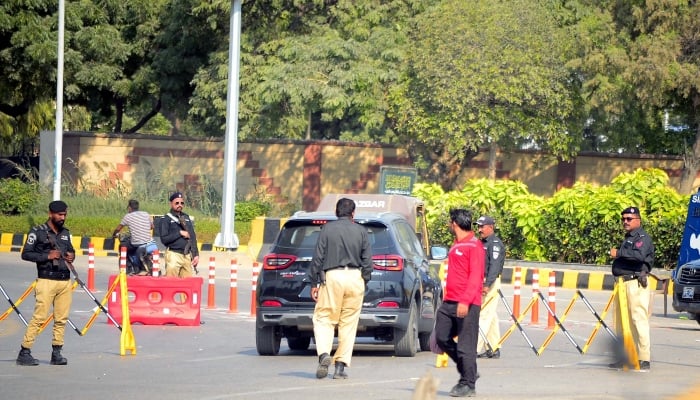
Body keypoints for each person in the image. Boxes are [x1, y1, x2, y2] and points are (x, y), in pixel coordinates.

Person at [310, 198, 373, 380]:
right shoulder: (361, 231)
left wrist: (314, 283)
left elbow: (318, 258)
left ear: (336, 212)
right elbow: (368, 261)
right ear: (353, 213)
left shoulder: (327, 229)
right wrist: (364, 280)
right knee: (348, 324)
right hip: (355, 277)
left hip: (333, 276)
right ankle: (339, 368)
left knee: (324, 318)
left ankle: (323, 354)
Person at [16, 200, 76, 366]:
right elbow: (26, 254)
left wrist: (72, 255)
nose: (63, 217)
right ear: (50, 214)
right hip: (46, 280)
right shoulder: (38, 232)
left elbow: (71, 249)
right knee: (39, 318)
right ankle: (24, 351)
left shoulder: (65, 232)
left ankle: (56, 353)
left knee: (61, 319)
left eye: (64, 214)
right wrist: (47, 256)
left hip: (64, 281)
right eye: (59, 214)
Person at [434, 209, 485, 397]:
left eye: (449, 222)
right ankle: (469, 369)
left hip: (467, 303)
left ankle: (468, 383)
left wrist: (465, 301)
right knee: (441, 337)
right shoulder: (456, 244)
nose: (448, 225)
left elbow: (475, 277)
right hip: (449, 302)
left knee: (466, 346)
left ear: (454, 223)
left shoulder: (474, 245)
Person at [609, 206, 655, 371]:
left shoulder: (642, 237)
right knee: (621, 322)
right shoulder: (628, 237)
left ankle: (644, 358)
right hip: (622, 283)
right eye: (623, 219)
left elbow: (639, 256)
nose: (625, 222)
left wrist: (618, 254)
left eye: (629, 219)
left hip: (635, 282)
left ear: (638, 220)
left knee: (638, 320)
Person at [475, 215, 505, 360]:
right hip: (481, 281)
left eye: (482, 226)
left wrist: (487, 285)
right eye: (478, 226)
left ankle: (474, 348)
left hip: (490, 282)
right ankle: (494, 347)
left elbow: (494, 267)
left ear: (491, 227)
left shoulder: (495, 244)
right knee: (491, 315)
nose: (479, 229)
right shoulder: (481, 243)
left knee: (483, 315)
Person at [159, 192, 199, 277]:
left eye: (182, 203)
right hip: (173, 255)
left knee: (186, 286)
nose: (179, 205)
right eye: (177, 203)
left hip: (187, 256)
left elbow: (192, 237)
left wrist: (196, 255)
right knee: (171, 284)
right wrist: (179, 233)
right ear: (171, 204)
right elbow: (164, 239)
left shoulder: (186, 217)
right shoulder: (166, 219)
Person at [112, 199, 154, 275]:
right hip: (149, 241)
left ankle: (128, 268)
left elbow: (119, 228)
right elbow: (152, 227)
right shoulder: (146, 214)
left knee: (123, 246)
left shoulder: (128, 216)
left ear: (130, 208)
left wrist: (114, 234)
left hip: (137, 243)